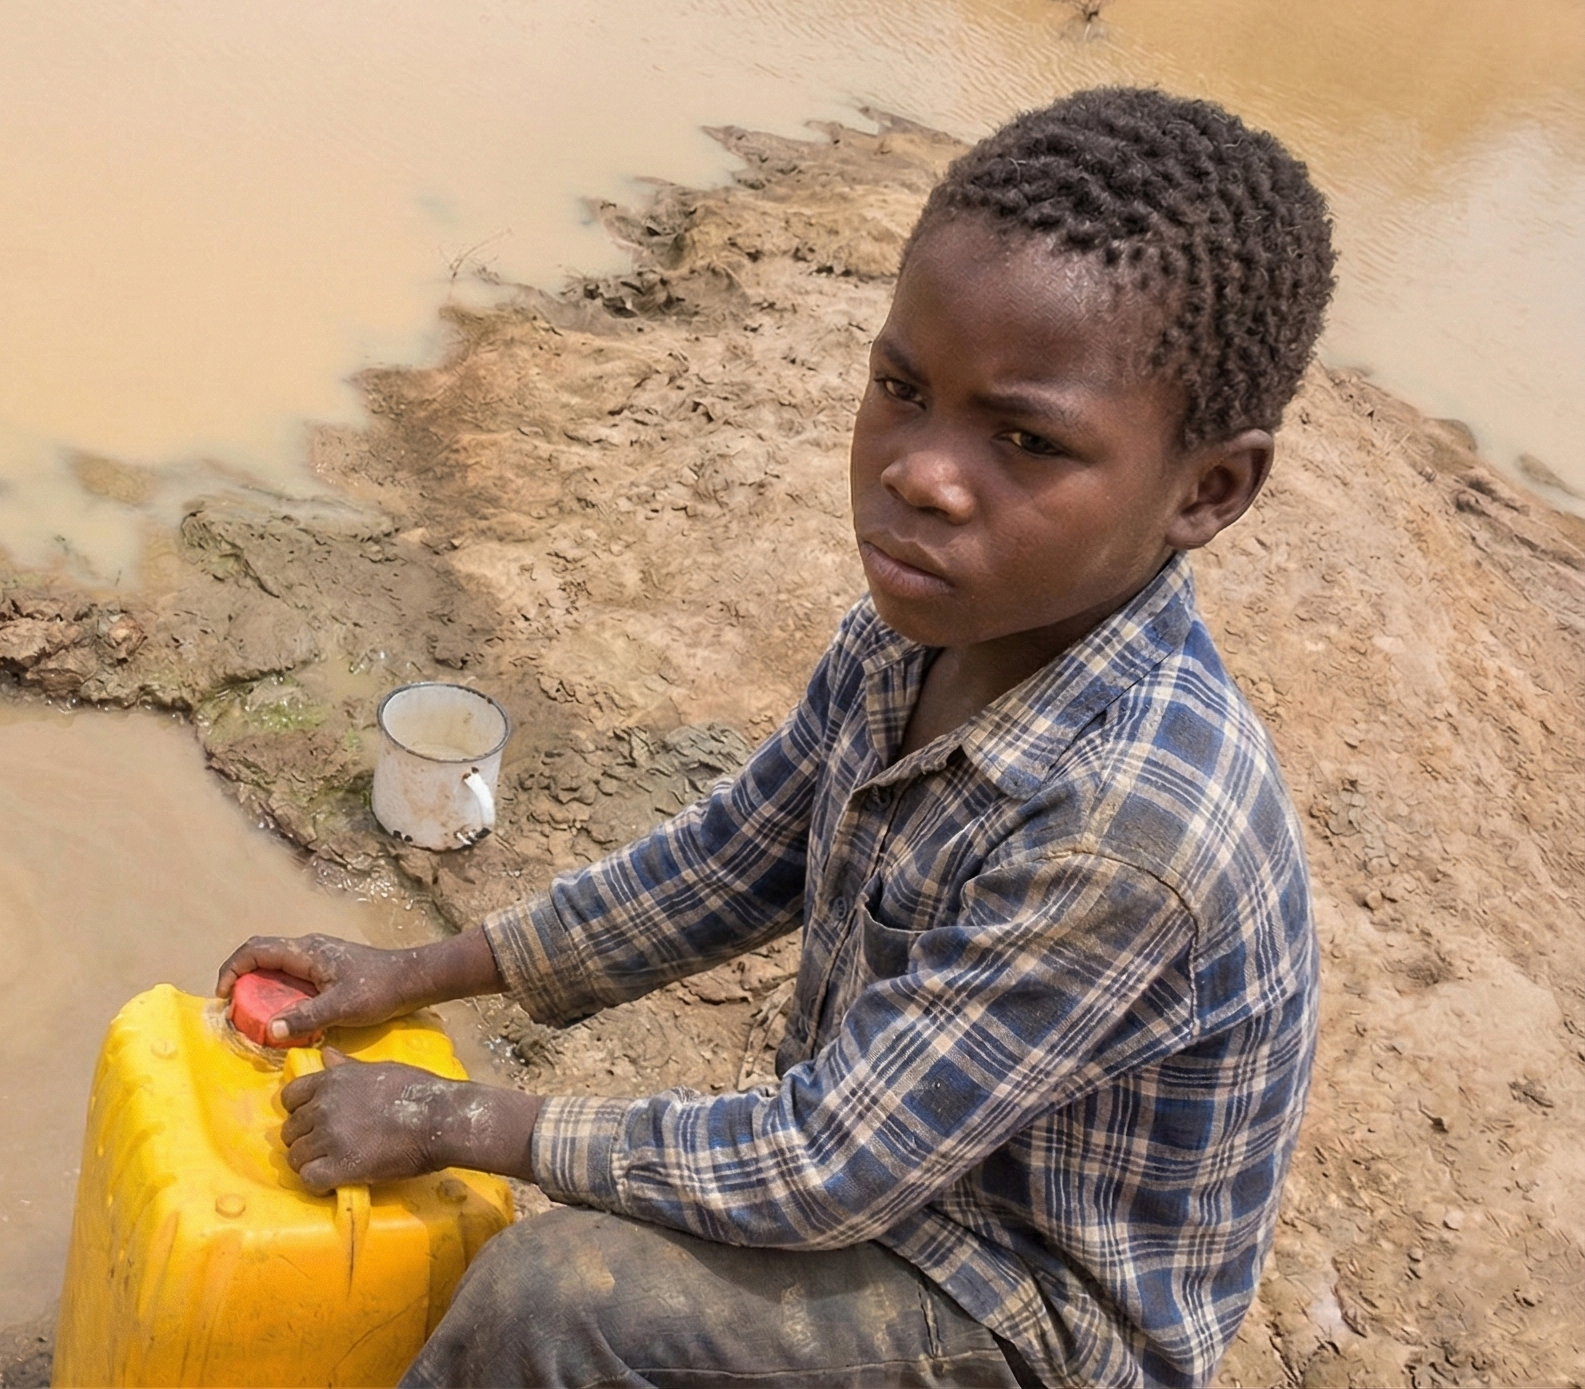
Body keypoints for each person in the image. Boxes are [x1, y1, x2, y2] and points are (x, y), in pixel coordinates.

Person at [217, 87, 1334, 1389]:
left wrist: (450, 1117)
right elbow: (725, 865)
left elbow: (819, 1169)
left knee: (561, 1297)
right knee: (612, 1206)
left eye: (1026, 439)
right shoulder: (921, 628)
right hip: (904, 1164)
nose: (923, 472)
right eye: (903, 389)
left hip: (1029, 1313)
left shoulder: (1128, 828)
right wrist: (412, 974)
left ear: (1207, 491)